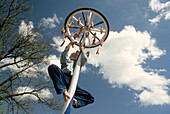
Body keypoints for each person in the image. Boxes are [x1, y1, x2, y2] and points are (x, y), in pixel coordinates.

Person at [48, 41, 94, 110]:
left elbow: (84, 59)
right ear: (70, 56)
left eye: (76, 55)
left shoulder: (78, 64)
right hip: (63, 77)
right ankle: (64, 91)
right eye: (73, 55)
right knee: (52, 67)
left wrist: (83, 50)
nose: (74, 55)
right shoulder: (67, 61)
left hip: (73, 82)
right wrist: (70, 44)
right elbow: (64, 55)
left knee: (90, 98)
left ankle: (75, 102)